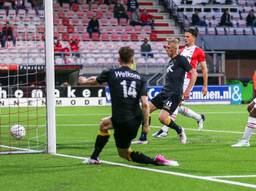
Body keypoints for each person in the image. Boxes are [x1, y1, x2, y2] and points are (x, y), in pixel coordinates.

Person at [78, 46, 178, 166]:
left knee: (124, 154)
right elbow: (145, 105)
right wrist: (145, 127)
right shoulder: (140, 78)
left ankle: (156, 160)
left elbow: (95, 80)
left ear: (119, 59)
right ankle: (94, 157)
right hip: (135, 119)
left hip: (121, 120)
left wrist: (84, 81)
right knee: (104, 124)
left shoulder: (111, 73)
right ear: (132, 60)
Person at [138, 28, 207, 143]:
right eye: (166, 48)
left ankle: (179, 129)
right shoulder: (172, 61)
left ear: (174, 49)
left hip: (174, 94)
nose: (166, 50)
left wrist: (187, 91)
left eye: (168, 48)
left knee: (162, 118)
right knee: (145, 110)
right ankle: (143, 138)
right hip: (165, 92)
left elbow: (194, 73)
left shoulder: (181, 59)